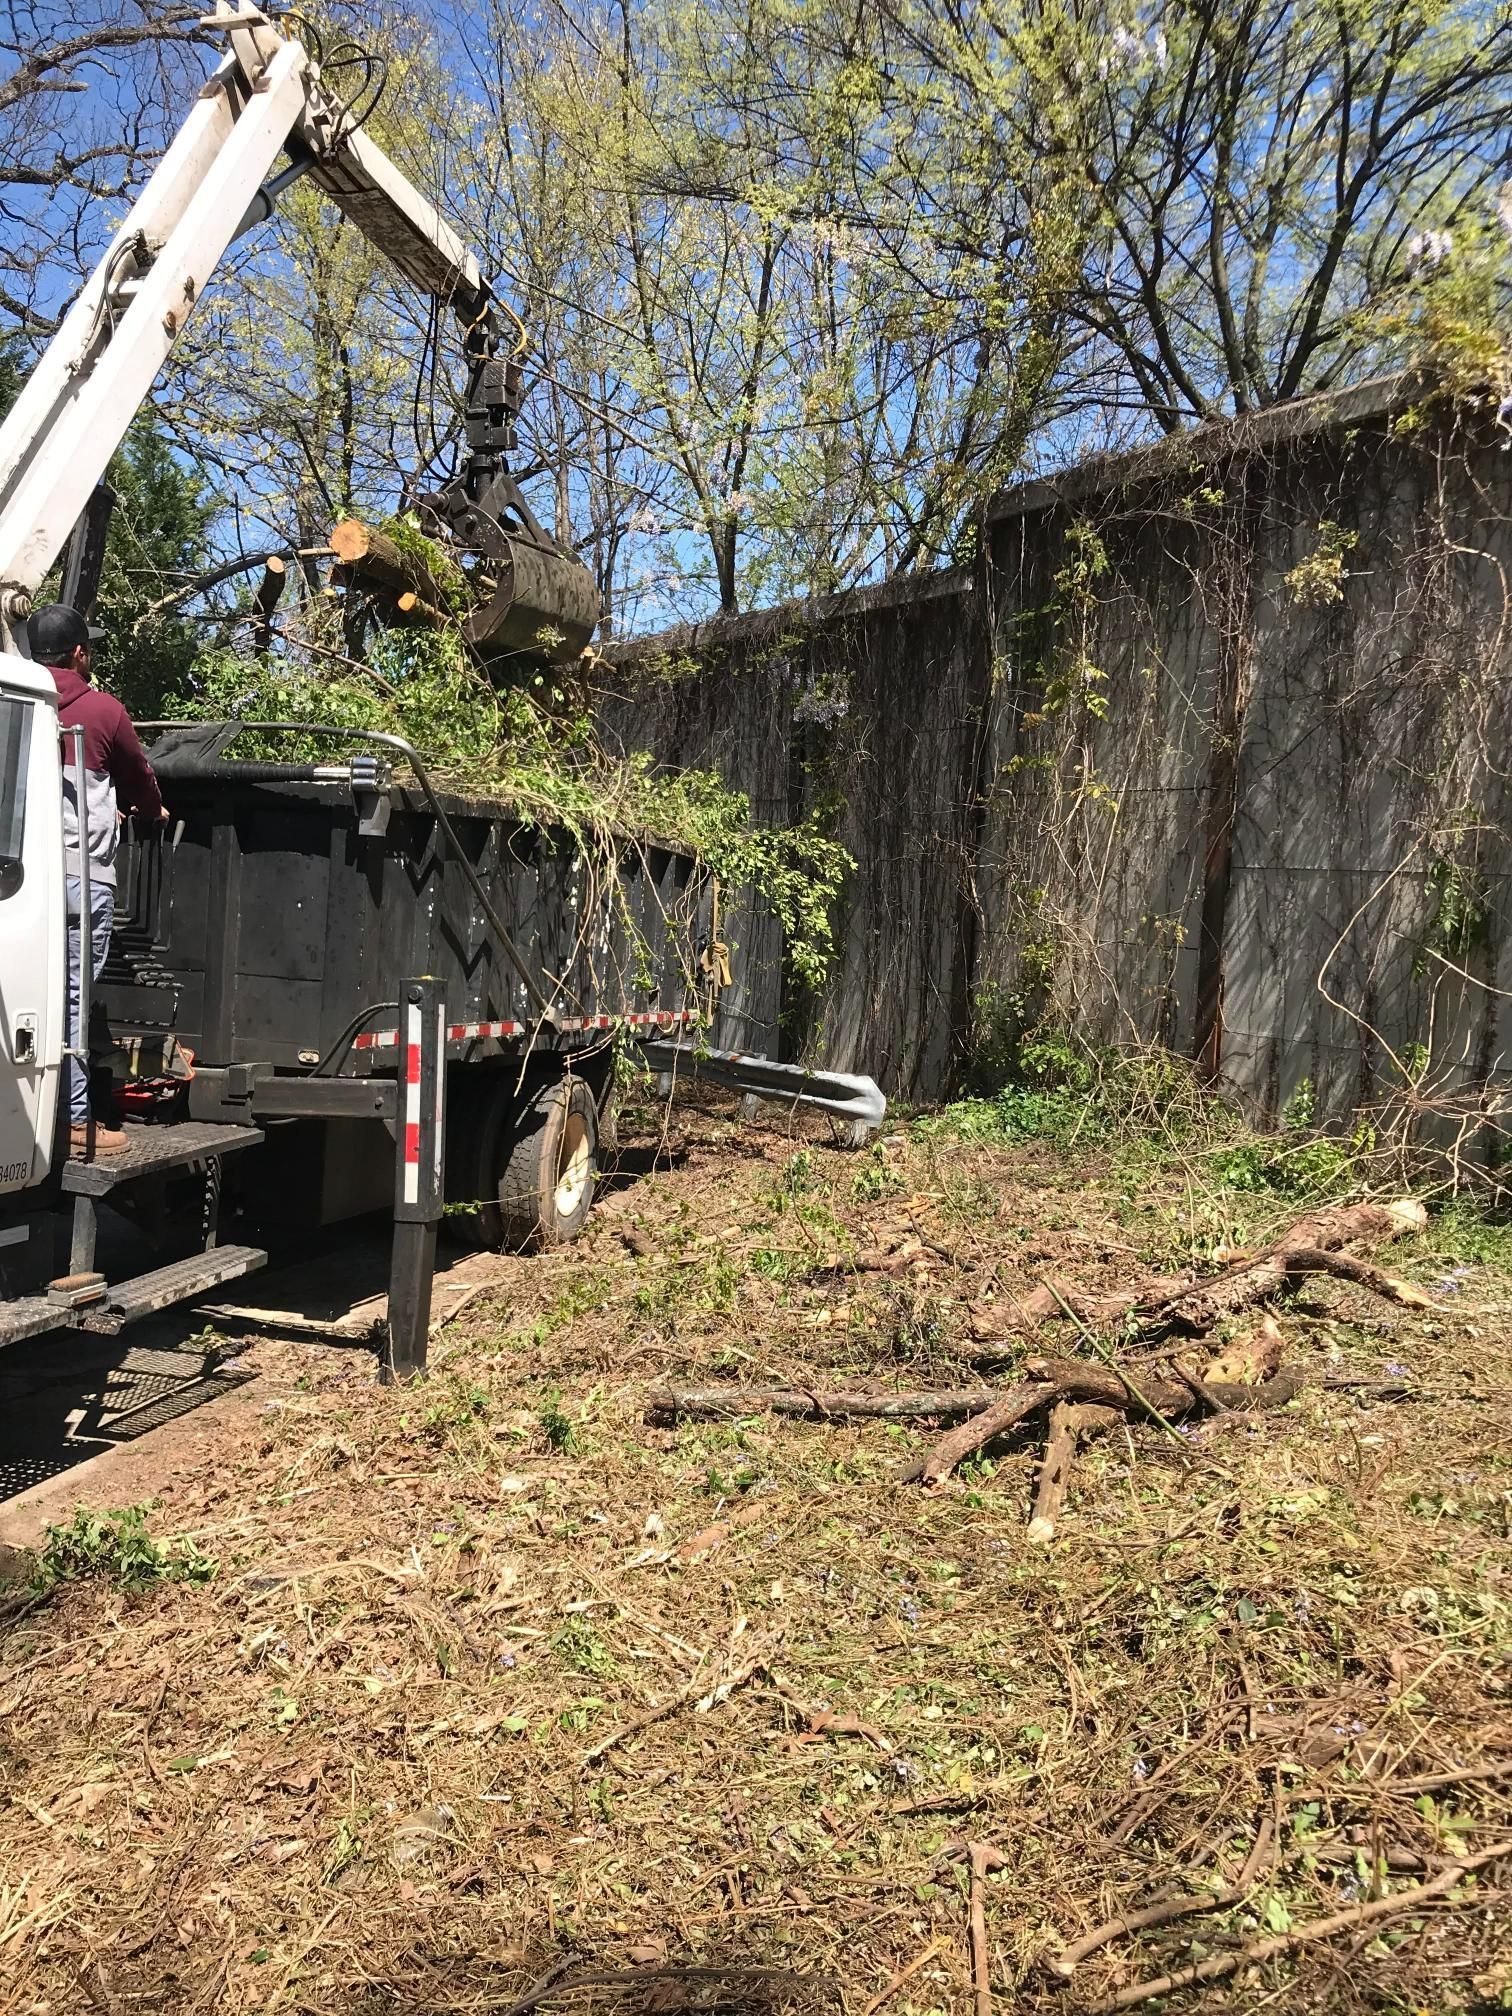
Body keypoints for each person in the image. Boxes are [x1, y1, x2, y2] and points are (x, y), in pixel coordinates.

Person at [31, 603, 166, 1159]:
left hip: (21, 883)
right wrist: (150, 812)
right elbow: (141, 781)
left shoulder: (16, 703)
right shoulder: (104, 713)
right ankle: (78, 1120)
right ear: (79, 653)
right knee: (72, 1002)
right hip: (80, 882)